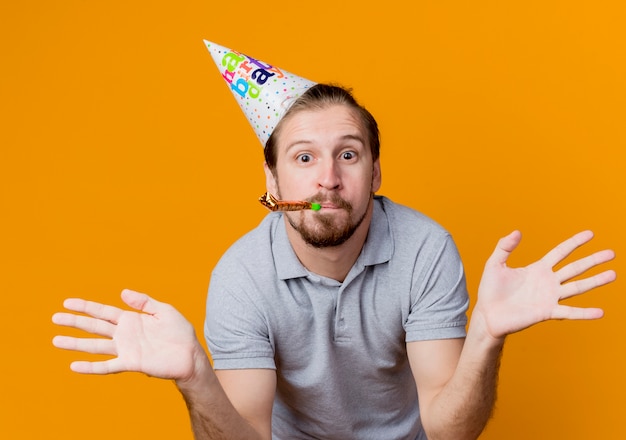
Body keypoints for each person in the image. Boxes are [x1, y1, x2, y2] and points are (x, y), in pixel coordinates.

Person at [53, 43, 616, 440]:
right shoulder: (241, 276)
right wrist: (197, 377)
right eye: (304, 158)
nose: (327, 179)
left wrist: (487, 337)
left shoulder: (425, 249)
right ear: (273, 184)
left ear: (374, 174)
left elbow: (449, 431)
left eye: (348, 154)